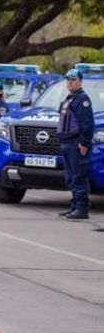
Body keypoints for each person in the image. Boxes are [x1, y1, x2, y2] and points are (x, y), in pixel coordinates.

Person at [57, 68, 94, 220]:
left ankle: (82, 209)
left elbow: (87, 124)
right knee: (70, 177)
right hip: (67, 143)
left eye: (73, 80)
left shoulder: (82, 100)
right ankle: (74, 206)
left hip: (76, 143)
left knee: (79, 176)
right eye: (68, 80)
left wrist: (84, 142)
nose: (70, 83)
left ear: (80, 81)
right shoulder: (69, 98)